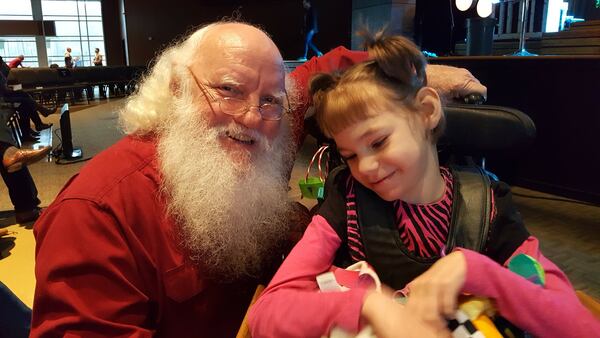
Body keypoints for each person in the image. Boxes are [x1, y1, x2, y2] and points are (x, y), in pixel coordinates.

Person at [31, 21, 488, 337]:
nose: (251, 116)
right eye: (227, 89)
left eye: (270, 100)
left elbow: (314, 75)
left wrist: (411, 70)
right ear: (177, 89)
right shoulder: (96, 213)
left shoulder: (267, 123)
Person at [248, 33, 600, 337]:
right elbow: (266, 314)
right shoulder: (345, 201)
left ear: (427, 110)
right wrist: (369, 305)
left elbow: (580, 326)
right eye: (350, 155)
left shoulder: (489, 208)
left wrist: (476, 271)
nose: (366, 167)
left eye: (380, 142)